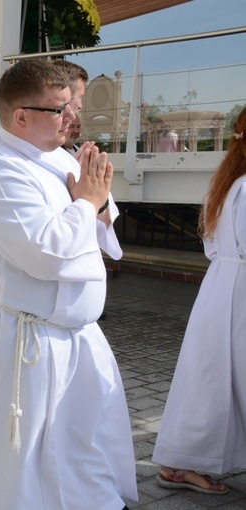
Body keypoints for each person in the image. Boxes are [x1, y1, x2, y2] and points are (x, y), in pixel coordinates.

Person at [0, 59, 137, 509]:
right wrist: (86, 203)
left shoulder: (58, 156)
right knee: (18, 465)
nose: (72, 117)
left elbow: (99, 228)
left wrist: (98, 205)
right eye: (59, 108)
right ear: (21, 116)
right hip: (16, 341)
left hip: (69, 337)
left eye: (70, 105)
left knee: (78, 449)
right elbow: (46, 253)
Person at [150, 110, 246, 496]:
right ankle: (178, 463)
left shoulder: (226, 182)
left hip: (222, 286)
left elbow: (211, 245)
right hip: (237, 290)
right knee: (219, 377)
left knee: (210, 377)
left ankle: (178, 462)